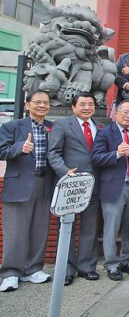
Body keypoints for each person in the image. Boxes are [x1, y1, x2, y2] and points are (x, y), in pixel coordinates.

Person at [0, 91, 55, 292]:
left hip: (44, 182)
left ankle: (33, 269)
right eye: (37, 102)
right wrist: (18, 148)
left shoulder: (52, 127)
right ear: (27, 104)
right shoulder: (13, 126)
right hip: (20, 185)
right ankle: (11, 272)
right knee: (15, 231)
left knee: (39, 228)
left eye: (45, 103)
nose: (42, 106)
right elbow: (1, 150)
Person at [47, 93, 101, 286]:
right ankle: (66, 269)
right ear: (74, 107)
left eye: (90, 104)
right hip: (70, 185)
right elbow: (53, 153)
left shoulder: (98, 126)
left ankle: (87, 267)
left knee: (89, 227)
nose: (87, 107)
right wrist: (64, 172)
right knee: (67, 227)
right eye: (83, 104)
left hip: (92, 185)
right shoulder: (62, 124)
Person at [91, 100, 129, 281]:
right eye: (125, 112)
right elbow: (96, 158)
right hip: (114, 186)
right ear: (117, 113)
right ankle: (111, 264)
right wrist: (116, 154)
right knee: (111, 227)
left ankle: (126, 260)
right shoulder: (105, 133)